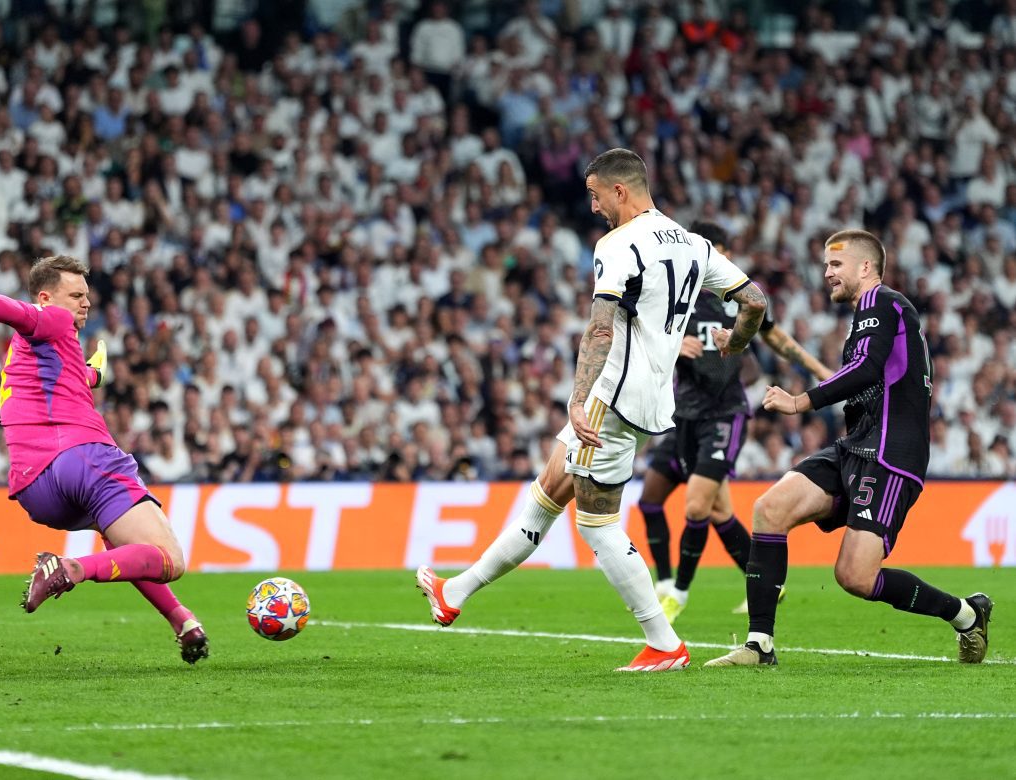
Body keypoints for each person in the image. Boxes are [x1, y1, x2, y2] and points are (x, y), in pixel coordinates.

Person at [417, 148, 768, 671]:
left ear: (620, 191)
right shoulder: (696, 245)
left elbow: (600, 325)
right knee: (548, 492)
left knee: (597, 523)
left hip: (612, 396)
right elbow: (756, 300)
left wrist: (579, 399)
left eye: (596, 194)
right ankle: (456, 592)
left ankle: (665, 643)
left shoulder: (619, 245)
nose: (594, 206)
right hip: (651, 395)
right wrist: (736, 343)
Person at [704, 229, 992, 667]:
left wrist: (801, 401)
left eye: (835, 265)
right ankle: (759, 644)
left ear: (866, 267)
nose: (827, 273)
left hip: (890, 455)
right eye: (824, 265)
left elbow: (865, 370)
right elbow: (866, 375)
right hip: (855, 447)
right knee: (770, 508)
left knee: (855, 577)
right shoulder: (865, 318)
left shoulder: (883, 302)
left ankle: (966, 614)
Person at [0, 257, 208, 664]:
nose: (85, 304)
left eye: (87, 296)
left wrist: (94, 376)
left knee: (121, 540)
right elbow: (24, 314)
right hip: (82, 457)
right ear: (47, 297)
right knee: (171, 559)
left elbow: (65, 377)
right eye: (76, 295)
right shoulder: (52, 321)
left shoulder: (27, 355)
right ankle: (70, 568)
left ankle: (182, 620)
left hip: (37, 491)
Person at [638, 221, 834, 622]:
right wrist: (673, 346)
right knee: (708, 510)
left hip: (724, 415)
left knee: (696, 506)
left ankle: (676, 592)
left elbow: (777, 339)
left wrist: (820, 370)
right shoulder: (674, 299)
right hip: (684, 417)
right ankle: (765, 584)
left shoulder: (740, 299)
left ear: (722, 253)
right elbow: (642, 343)